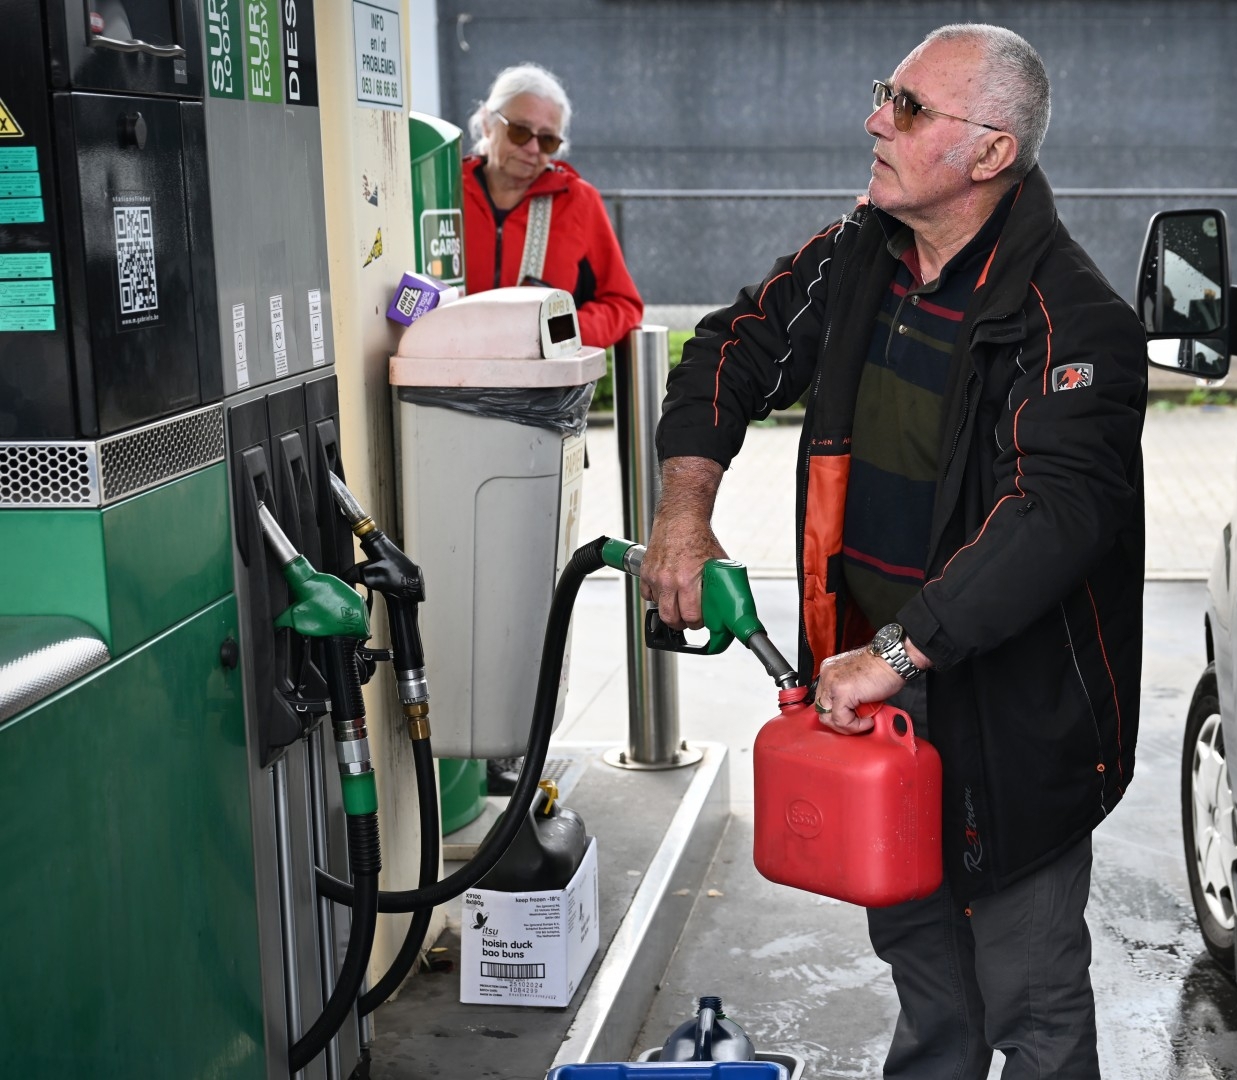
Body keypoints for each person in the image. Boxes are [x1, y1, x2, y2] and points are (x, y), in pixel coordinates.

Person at [644, 24, 1147, 1080]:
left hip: (1016, 723)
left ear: (991, 152)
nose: (876, 119)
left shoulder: (1074, 321)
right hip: (880, 703)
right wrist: (685, 510)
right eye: (887, 94)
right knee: (926, 981)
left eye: (909, 107)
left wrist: (904, 649)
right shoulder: (855, 259)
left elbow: (1052, 516)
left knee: (1034, 1007)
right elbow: (728, 351)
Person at [462, 63, 643, 348]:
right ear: (487, 123)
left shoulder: (578, 201)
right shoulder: (442, 190)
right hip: (447, 380)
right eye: (520, 131)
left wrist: (558, 333)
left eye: (547, 140)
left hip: (544, 386)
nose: (533, 149)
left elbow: (622, 305)